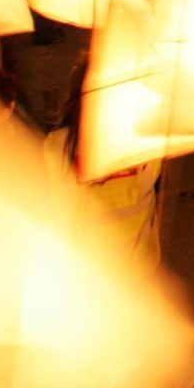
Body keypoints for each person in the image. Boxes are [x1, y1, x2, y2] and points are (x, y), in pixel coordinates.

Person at [45, 71, 163, 265]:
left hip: (91, 265)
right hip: (139, 262)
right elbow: (150, 185)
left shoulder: (58, 144)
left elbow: (61, 207)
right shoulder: (145, 137)